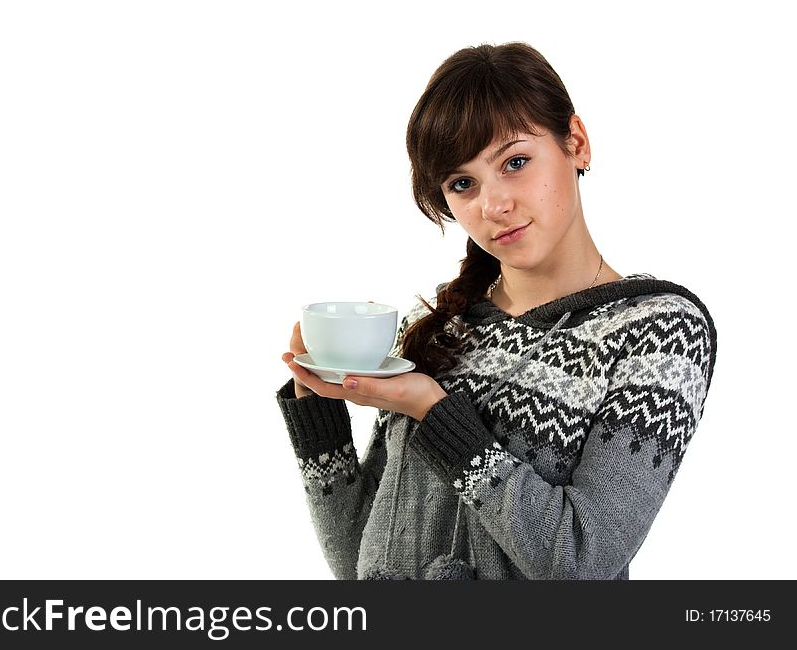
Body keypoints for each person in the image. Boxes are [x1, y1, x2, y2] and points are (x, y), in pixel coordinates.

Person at [276, 42, 717, 579]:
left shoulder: (660, 330)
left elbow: (582, 561)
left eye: (515, 162)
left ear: (575, 143)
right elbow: (358, 563)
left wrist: (436, 414)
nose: (493, 206)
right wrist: (318, 417)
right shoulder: (442, 327)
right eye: (463, 184)